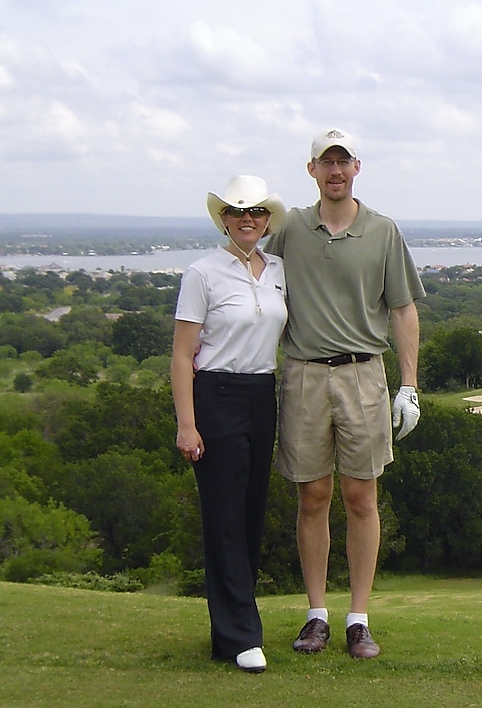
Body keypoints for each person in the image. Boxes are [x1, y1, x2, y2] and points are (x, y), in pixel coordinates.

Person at [265, 128, 425, 659]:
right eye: (324, 162)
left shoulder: (382, 230)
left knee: (361, 498)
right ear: (311, 170)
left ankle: (358, 618)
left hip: (363, 375)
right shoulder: (289, 228)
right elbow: (254, 279)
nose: (334, 171)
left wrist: (410, 385)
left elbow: (402, 308)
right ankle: (316, 616)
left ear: (357, 167)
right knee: (312, 497)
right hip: (304, 374)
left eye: (343, 161)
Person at [171, 175, 287, 674]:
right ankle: (243, 635)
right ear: (224, 220)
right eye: (238, 212)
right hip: (215, 395)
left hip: (263, 394)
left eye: (256, 212)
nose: (248, 220)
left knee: (250, 515)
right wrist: (186, 424)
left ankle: (229, 635)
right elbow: (181, 356)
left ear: (266, 220)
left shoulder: (279, 268)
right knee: (223, 518)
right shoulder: (203, 273)